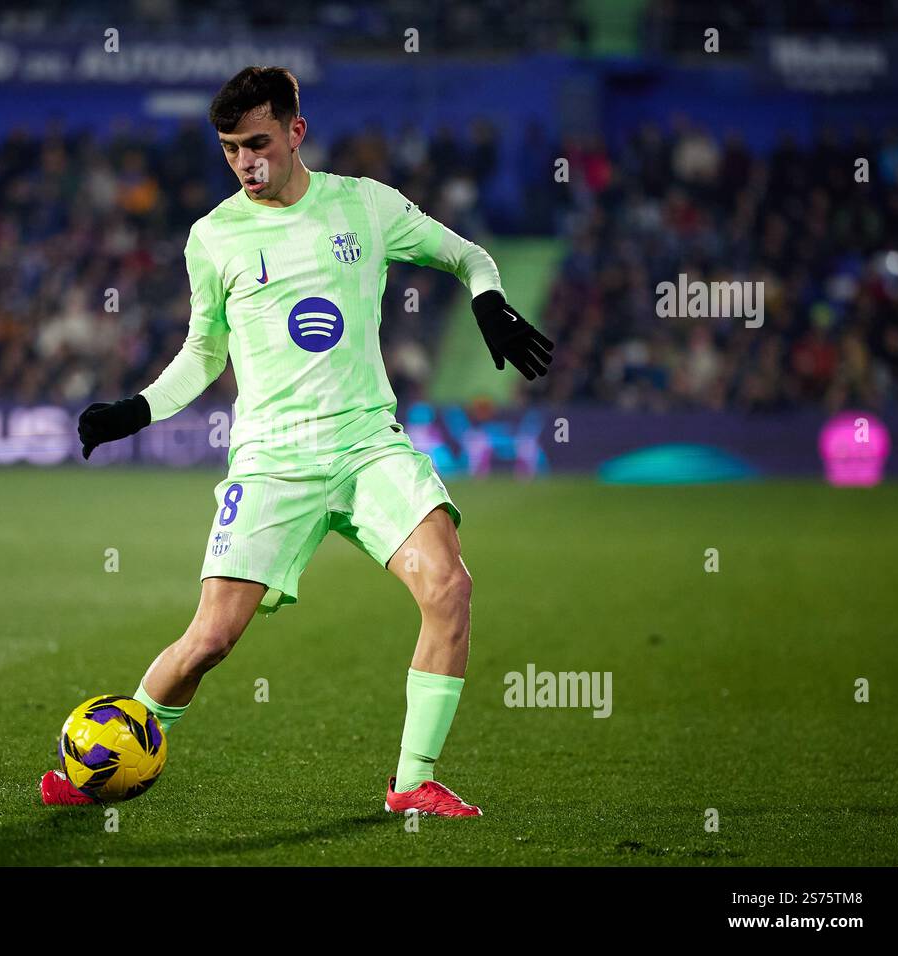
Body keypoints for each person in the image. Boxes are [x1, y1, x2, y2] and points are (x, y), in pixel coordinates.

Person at [47, 66, 553, 817]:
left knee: (450, 588)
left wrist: (489, 303)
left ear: (295, 132)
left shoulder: (365, 206)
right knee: (212, 639)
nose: (246, 163)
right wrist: (137, 411)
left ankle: (412, 782)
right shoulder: (214, 236)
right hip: (274, 455)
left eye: (257, 143)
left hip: (366, 443)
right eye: (229, 150)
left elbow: (467, 255)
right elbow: (204, 354)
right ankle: (95, 761)